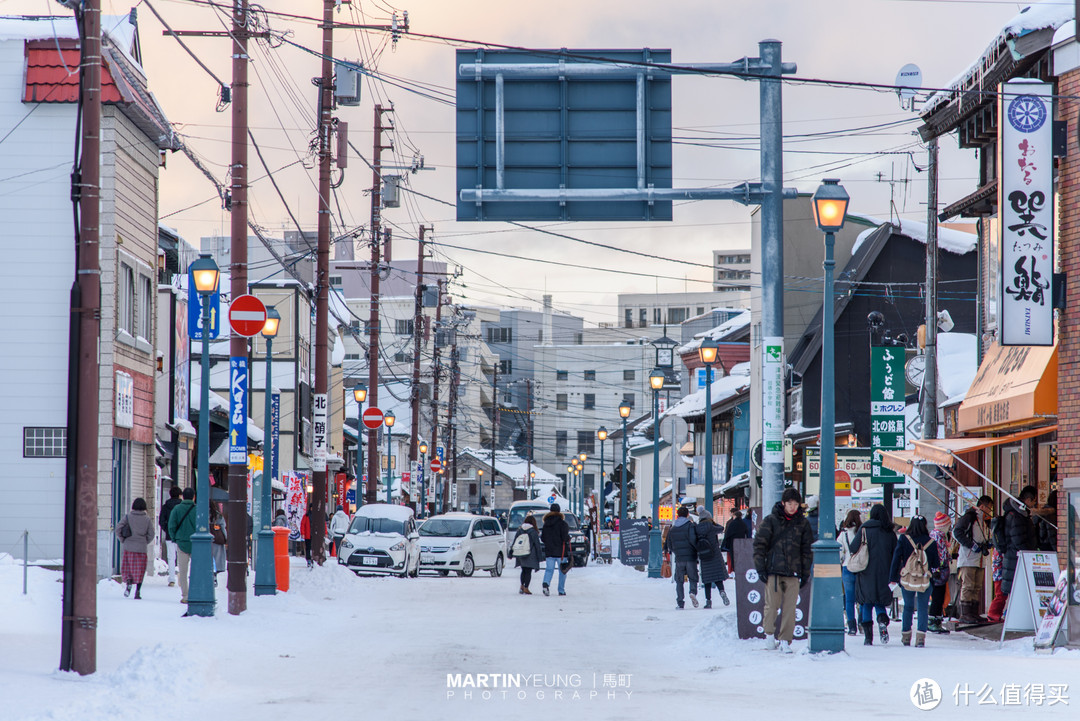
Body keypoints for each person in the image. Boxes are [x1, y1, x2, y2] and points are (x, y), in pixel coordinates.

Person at [753, 488, 814, 653]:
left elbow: (806, 550)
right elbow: (759, 545)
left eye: (795, 504)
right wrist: (761, 568)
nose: (792, 507)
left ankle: (786, 640)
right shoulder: (770, 521)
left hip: (793, 572)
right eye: (789, 503)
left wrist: (805, 573)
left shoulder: (803, 523)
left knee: (790, 608)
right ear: (783, 503)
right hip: (773, 570)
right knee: (771, 605)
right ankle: (769, 635)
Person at [848, 503, 897, 645]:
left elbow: (852, 548)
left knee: (867, 603)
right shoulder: (890, 532)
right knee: (880, 600)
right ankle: (882, 621)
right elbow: (896, 553)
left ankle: (868, 637)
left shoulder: (864, 529)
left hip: (866, 572)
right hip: (885, 573)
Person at [990, 485, 1039, 621]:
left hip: (1014, 557)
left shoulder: (1016, 513)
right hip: (1016, 557)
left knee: (1016, 588)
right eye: (1034, 501)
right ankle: (1013, 615)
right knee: (1016, 587)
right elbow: (1018, 539)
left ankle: (1012, 614)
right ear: (1028, 500)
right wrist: (1030, 551)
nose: (1034, 504)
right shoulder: (1016, 516)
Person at [890, 515, 940, 647]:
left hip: (908, 579)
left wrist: (893, 578)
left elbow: (896, 559)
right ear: (924, 526)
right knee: (923, 607)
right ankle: (920, 638)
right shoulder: (931, 542)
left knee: (908, 607)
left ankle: (906, 637)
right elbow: (936, 563)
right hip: (925, 580)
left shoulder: (904, 539)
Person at [953, 495, 992, 624]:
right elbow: (957, 532)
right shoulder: (970, 517)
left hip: (980, 558)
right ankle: (965, 613)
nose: (990, 511)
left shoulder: (984, 521)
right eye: (989, 508)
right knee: (968, 585)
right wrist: (971, 545)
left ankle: (974, 613)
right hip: (969, 558)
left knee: (976, 586)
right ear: (982, 506)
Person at [115, 497, 155, 599]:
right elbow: (151, 534)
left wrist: (123, 540)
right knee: (140, 570)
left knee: (128, 568)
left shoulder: (128, 517)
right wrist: (145, 541)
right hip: (141, 549)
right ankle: (138, 591)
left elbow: (118, 528)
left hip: (129, 547)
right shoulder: (147, 519)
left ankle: (129, 583)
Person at [663, 505, 700, 609]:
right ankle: (692, 592)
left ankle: (680, 602)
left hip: (679, 558)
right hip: (691, 557)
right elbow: (693, 540)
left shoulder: (673, 528)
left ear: (678, 515)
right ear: (688, 515)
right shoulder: (691, 526)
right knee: (693, 577)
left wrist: (676, 551)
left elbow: (669, 544)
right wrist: (696, 550)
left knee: (679, 580)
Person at [167, 487, 197, 604]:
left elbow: (171, 525)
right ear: (193, 497)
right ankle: (195, 594)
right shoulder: (197, 509)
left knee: (183, 572)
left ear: (183, 496)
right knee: (195, 570)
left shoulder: (177, 509)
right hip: (196, 544)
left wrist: (175, 538)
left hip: (182, 543)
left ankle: (186, 596)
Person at [696, 508, 729, 608]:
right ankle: (722, 591)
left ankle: (708, 601)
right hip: (714, 554)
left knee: (707, 580)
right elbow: (721, 528)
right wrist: (714, 523)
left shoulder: (697, 528)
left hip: (704, 555)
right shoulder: (711, 526)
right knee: (717, 577)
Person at [927, 512, 953, 634]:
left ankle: (936, 620)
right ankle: (933, 621)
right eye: (948, 525)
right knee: (937, 597)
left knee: (938, 596)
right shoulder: (939, 536)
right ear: (943, 525)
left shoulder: (936, 535)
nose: (949, 527)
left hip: (938, 572)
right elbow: (940, 555)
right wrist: (938, 568)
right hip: (939, 572)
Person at [838, 509, 863, 636]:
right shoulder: (863, 532)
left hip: (847, 567)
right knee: (863, 598)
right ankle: (862, 623)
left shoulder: (843, 534)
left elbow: (839, 551)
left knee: (849, 599)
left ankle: (851, 626)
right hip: (861, 568)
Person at [540, 503, 571, 596]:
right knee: (562, 571)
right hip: (561, 552)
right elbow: (565, 537)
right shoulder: (563, 524)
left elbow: (543, 538)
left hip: (549, 551)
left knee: (549, 569)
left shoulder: (546, 524)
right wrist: (568, 538)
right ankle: (561, 590)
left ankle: (546, 583)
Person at [511, 515, 544, 594]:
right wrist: (540, 557)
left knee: (523, 570)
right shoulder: (533, 531)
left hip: (521, 553)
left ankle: (522, 586)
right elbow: (537, 544)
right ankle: (526, 588)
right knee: (528, 571)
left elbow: (515, 541)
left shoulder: (520, 530)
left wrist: (511, 552)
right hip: (530, 554)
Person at [158, 486, 182, 587]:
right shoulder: (182, 506)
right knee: (182, 558)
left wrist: (167, 529)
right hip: (181, 536)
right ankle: (182, 579)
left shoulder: (165, 506)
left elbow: (161, 521)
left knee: (171, 558)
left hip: (169, 536)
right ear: (180, 495)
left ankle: (171, 579)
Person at [721, 509, 749, 573]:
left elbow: (728, 534)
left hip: (732, 543)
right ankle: (740, 570)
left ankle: (734, 570)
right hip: (741, 542)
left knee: (733, 557)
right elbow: (746, 533)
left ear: (735, 516)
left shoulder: (732, 523)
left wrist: (726, 544)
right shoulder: (743, 524)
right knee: (740, 557)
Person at [209, 502, 227, 584]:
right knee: (216, 559)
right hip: (217, 539)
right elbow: (223, 528)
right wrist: (225, 539)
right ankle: (214, 575)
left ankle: (209, 574)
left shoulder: (200, 513)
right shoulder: (218, 516)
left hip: (206, 540)